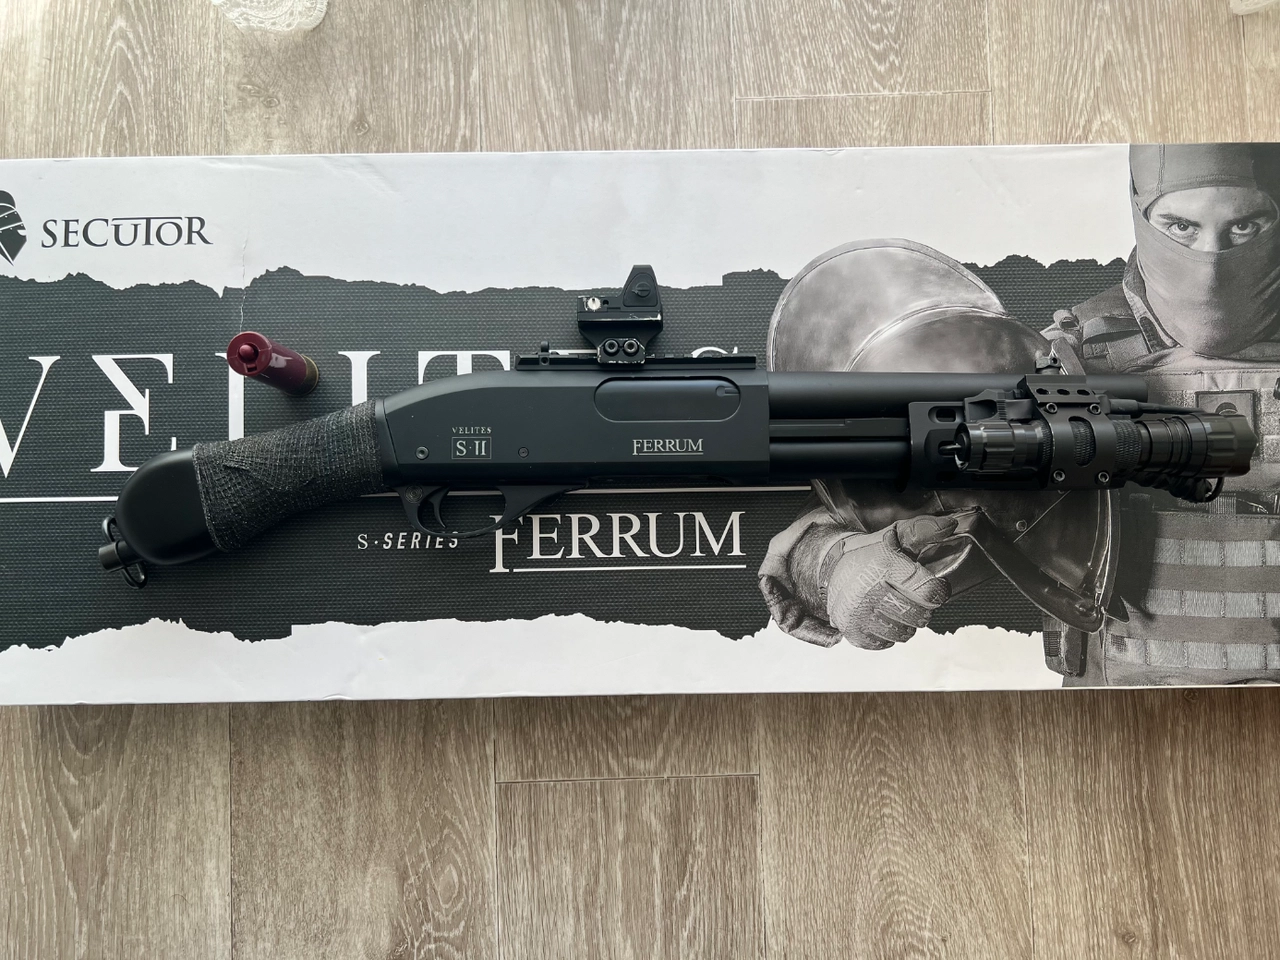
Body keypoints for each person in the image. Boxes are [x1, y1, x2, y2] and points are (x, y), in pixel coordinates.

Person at [760, 143, 1280, 685]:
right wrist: (839, 565)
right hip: (1129, 713)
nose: (1211, 259)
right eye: (1180, 227)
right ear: (1141, 215)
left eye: (1245, 226)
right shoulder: (1059, 365)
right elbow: (841, 520)